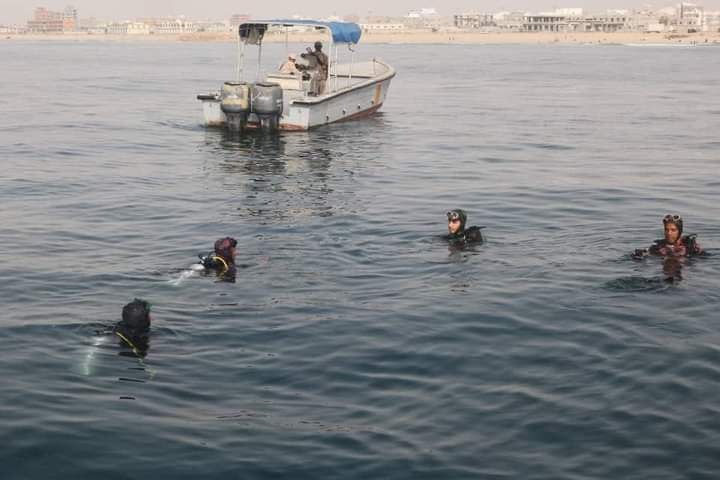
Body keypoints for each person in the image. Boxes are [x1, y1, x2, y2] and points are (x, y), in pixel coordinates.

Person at [633, 214, 703, 258]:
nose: (669, 233)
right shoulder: (658, 246)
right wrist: (639, 255)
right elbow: (646, 254)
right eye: (667, 230)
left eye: (673, 230)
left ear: (680, 231)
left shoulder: (690, 246)